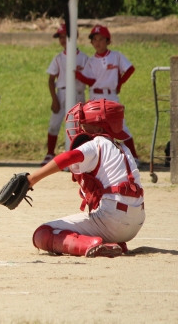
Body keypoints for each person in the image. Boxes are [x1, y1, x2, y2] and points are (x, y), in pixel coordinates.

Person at [27, 99, 144, 258]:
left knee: (43, 233)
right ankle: (112, 242)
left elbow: (68, 157)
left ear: (99, 127)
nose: (81, 127)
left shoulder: (97, 143)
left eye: (85, 123)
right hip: (136, 223)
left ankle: (91, 244)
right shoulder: (124, 148)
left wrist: (32, 179)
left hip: (112, 220)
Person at [76, 25, 140, 163]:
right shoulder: (91, 60)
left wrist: (120, 83)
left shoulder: (116, 56)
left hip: (111, 95)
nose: (98, 42)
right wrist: (78, 75)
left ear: (108, 41)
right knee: (94, 126)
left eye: (101, 39)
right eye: (94, 39)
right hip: (96, 95)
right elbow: (91, 81)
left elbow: (130, 69)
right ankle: (96, 157)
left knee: (120, 125)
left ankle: (133, 157)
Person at [40, 24, 89, 166]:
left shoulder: (84, 58)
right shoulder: (58, 58)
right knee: (54, 124)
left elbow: (90, 77)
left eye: (65, 36)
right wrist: (54, 99)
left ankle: (77, 154)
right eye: (60, 37)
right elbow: (51, 79)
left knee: (77, 126)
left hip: (78, 93)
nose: (62, 40)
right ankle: (50, 153)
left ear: (75, 36)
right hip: (62, 92)